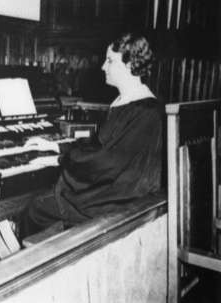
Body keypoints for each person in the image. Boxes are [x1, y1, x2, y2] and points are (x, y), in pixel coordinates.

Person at [21, 33, 163, 236]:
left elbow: (104, 161)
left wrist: (59, 160)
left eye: (110, 60)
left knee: (36, 209)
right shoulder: (132, 102)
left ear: (130, 64)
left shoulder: (144, 112)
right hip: (117, 192)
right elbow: (99, 144)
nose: (104, 66)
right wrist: (54, 146)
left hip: (115, 201)